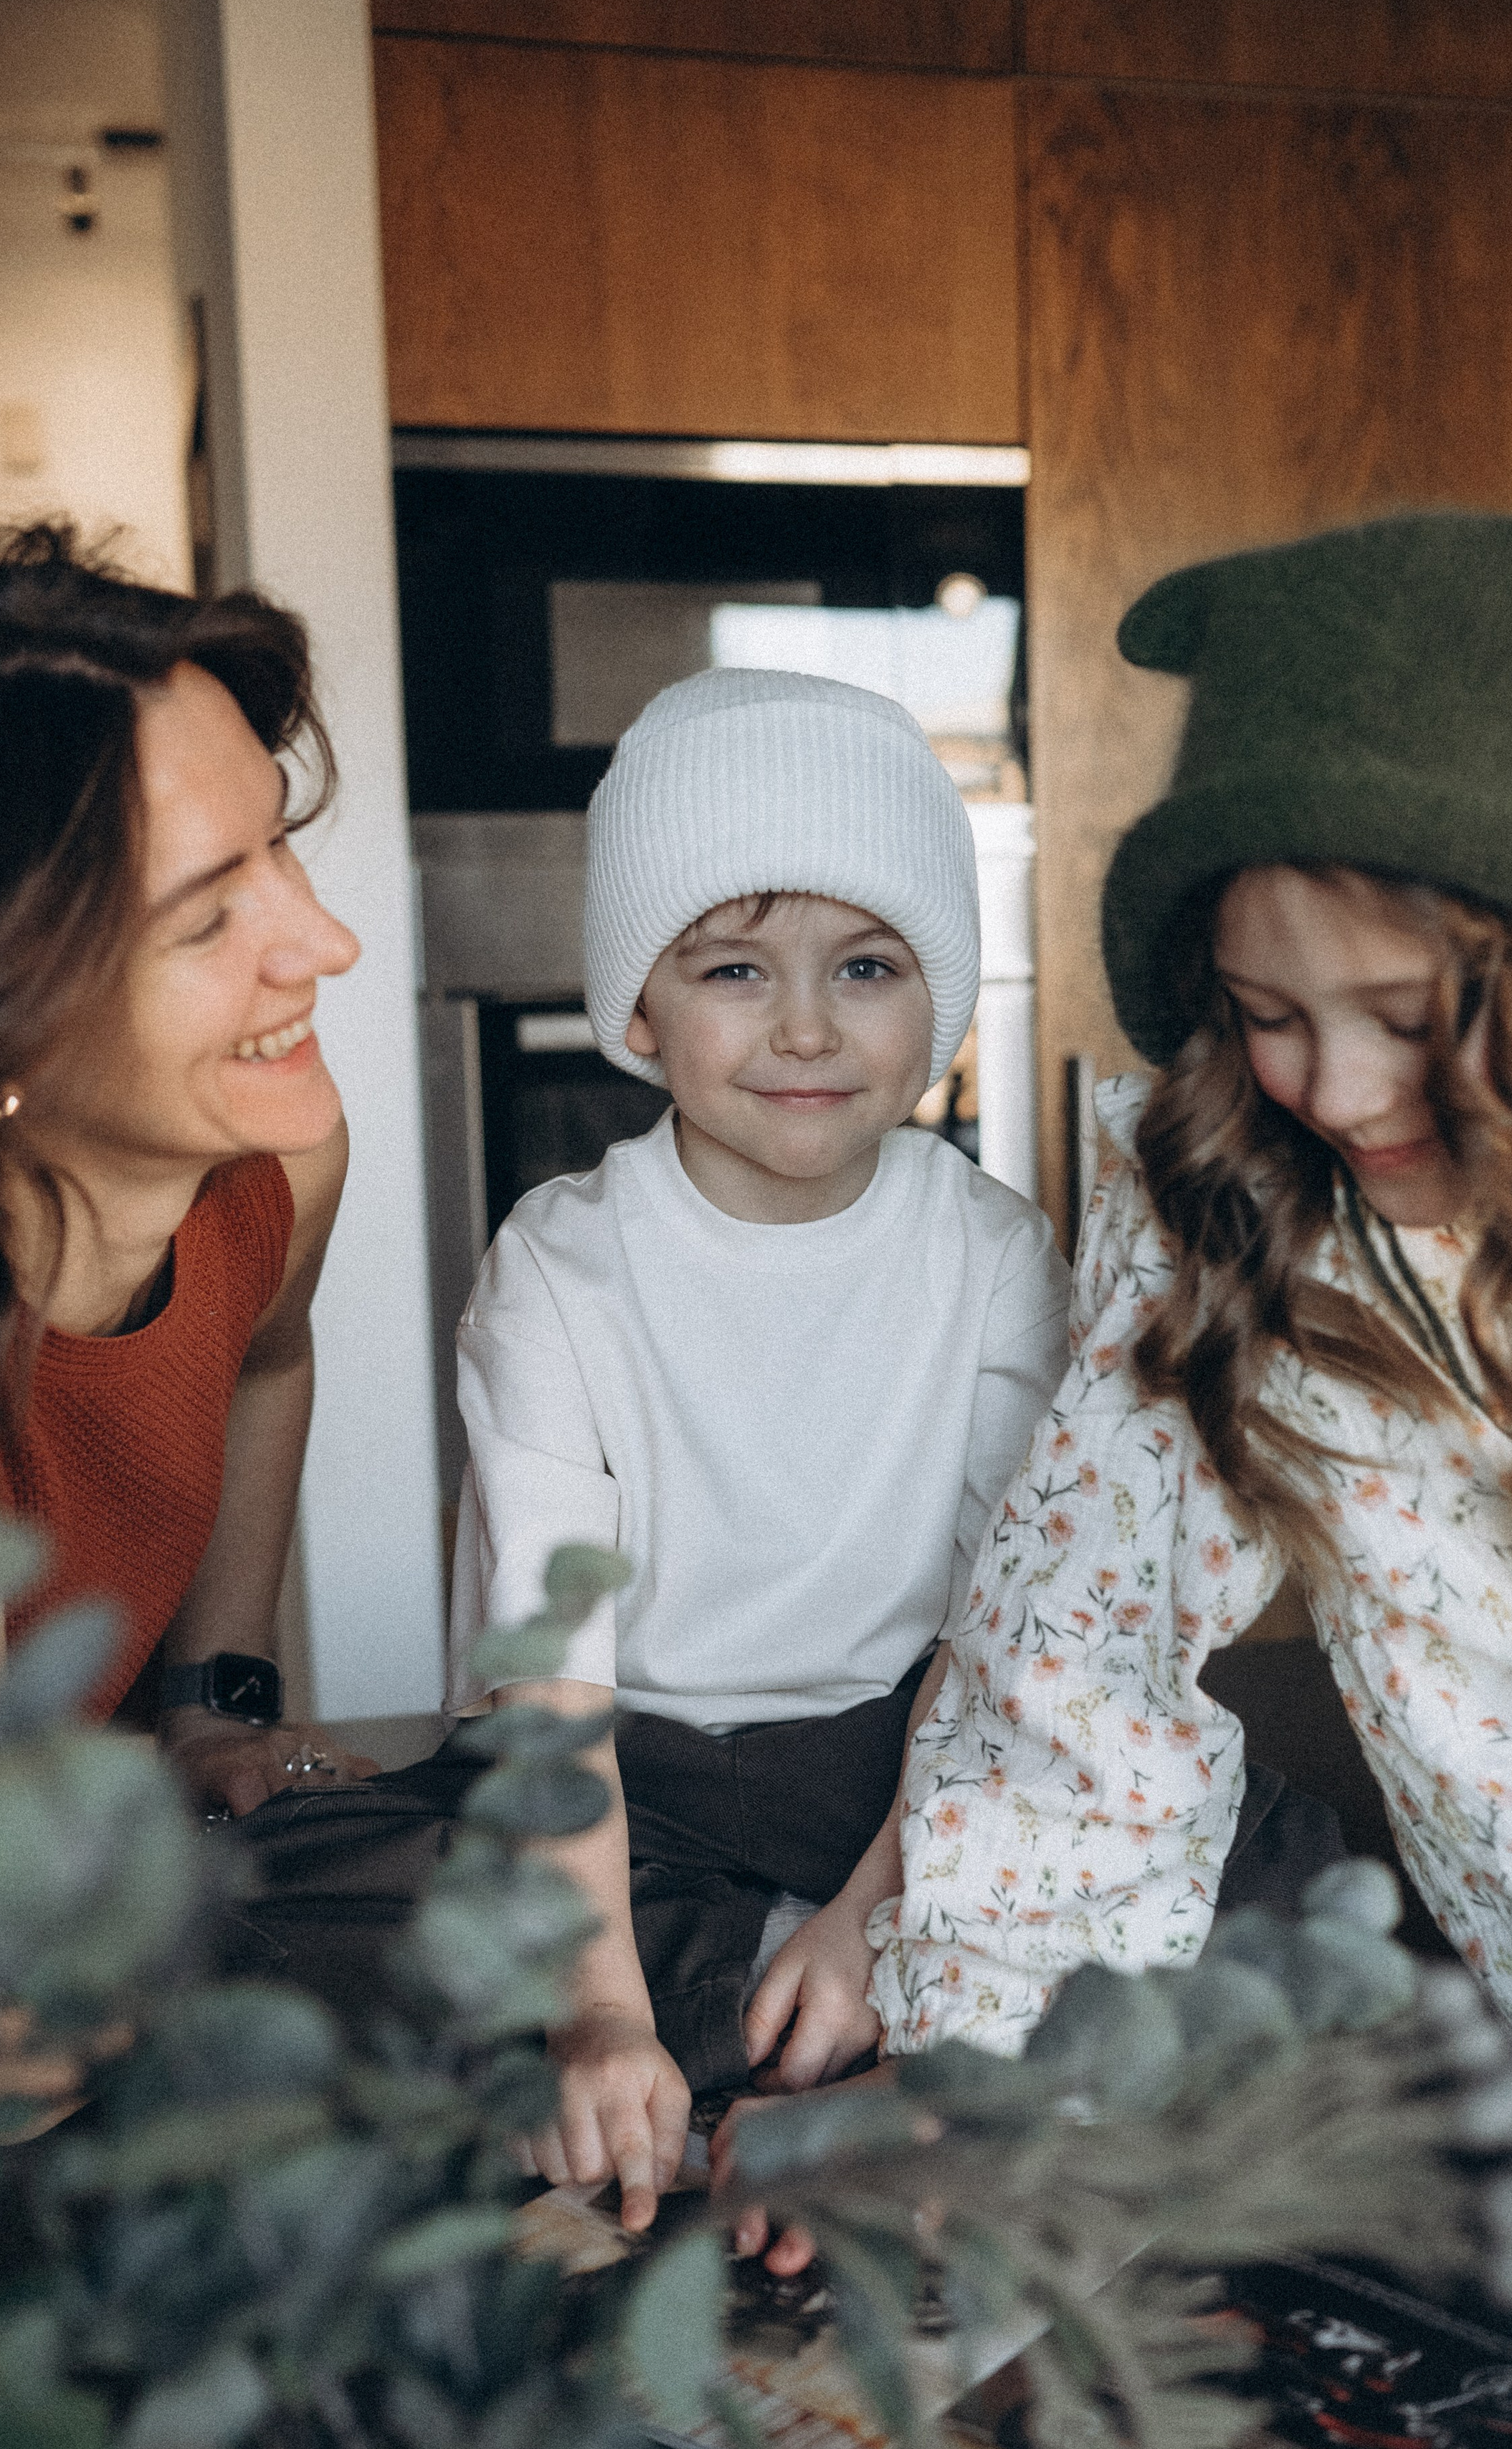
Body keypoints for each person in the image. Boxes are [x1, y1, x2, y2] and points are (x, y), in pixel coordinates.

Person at [868, 511, 1512, 2449]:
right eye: (1260, 1007)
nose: (1328, 1083)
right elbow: (1065, 1708)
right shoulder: (1228, 1223)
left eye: (1409, 1015)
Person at [449, 668, 1073, 2231]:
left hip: (906, 1758)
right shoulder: (558, 1262)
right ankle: (753, 2028)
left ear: (935, 994)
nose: (805, 1024)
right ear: (639, 1007)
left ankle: (816, 2021)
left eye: (864, 963)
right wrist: (594, 2001)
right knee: (312, 1905)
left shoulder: (995, 1254)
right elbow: (548, 1683)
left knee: (1249, 1845)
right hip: (631, 1777)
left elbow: (1012, 1634)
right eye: (736, 966)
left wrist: (884, 1909)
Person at [0, 506, 376, 1824]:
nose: (325, 941)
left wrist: (214, 1703)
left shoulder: (278, 1170)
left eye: (281, 845)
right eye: (209, 916)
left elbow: (268, 1357)